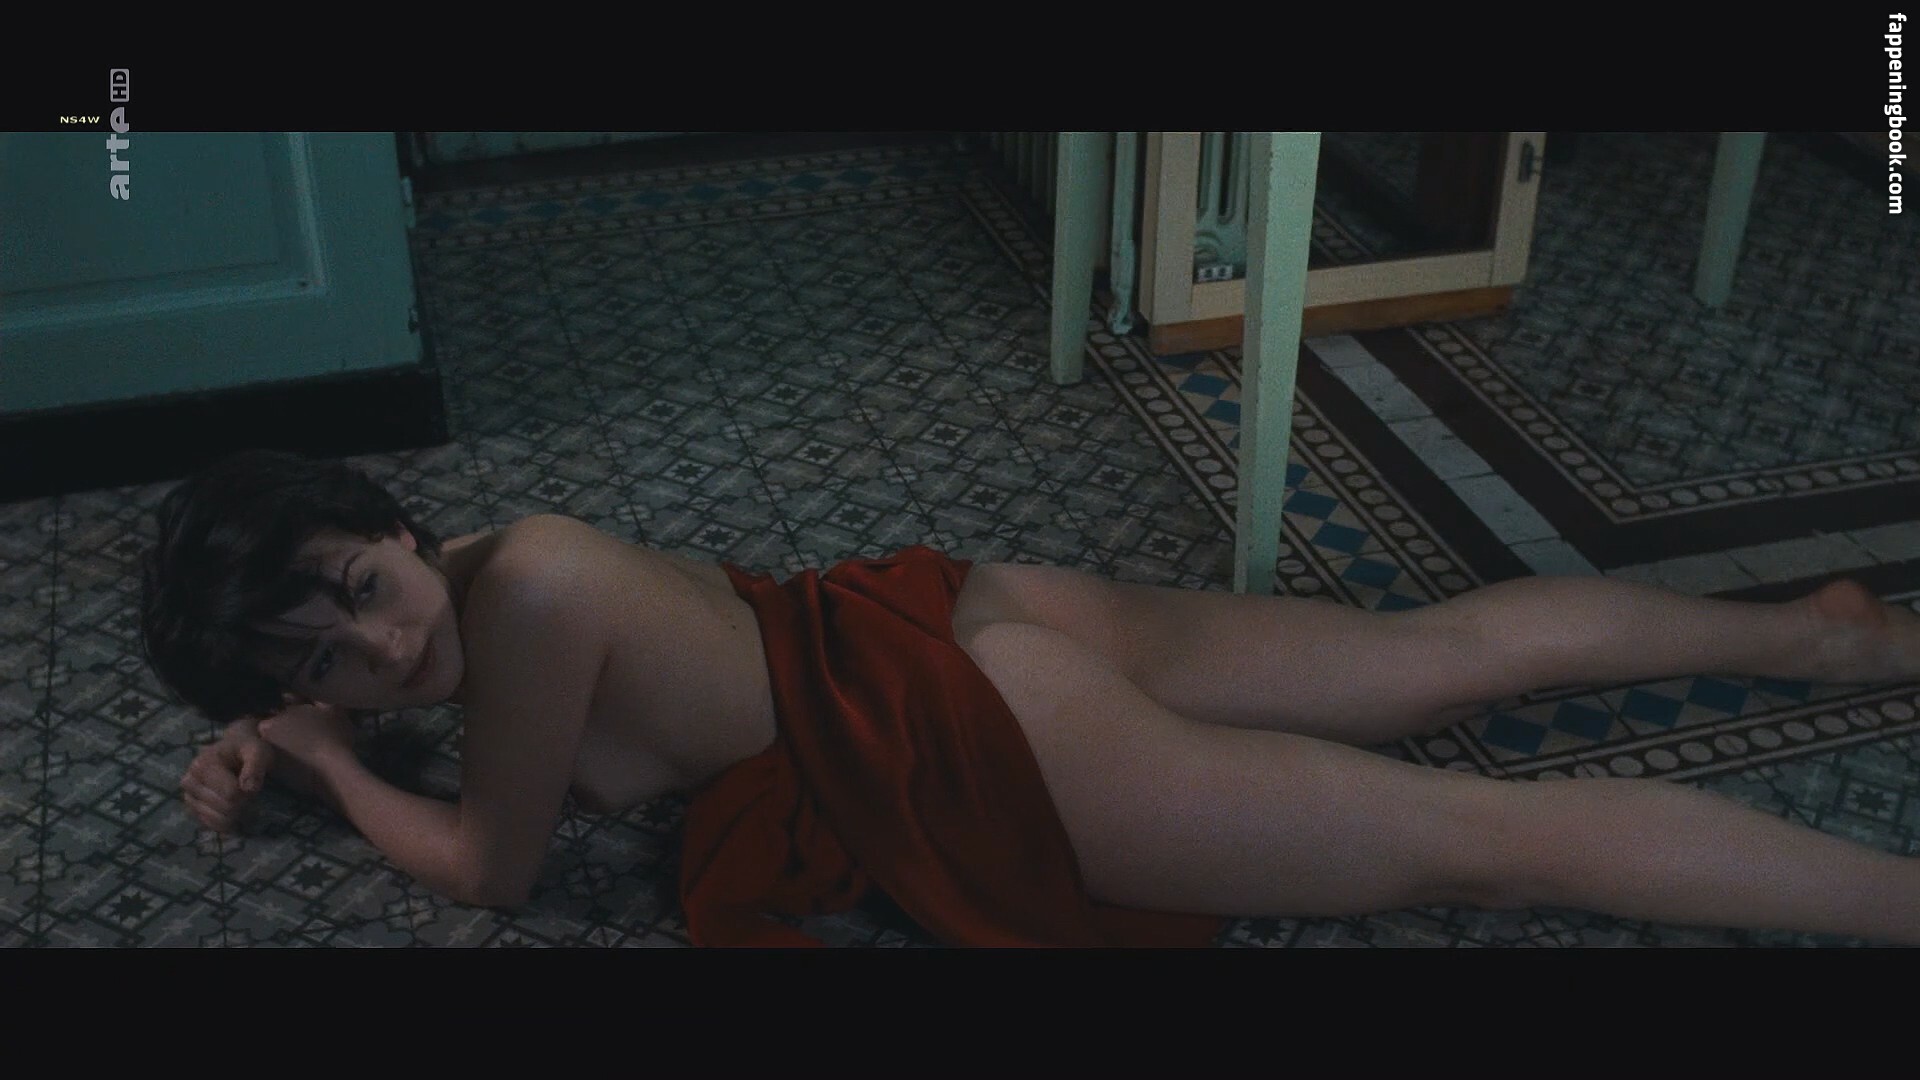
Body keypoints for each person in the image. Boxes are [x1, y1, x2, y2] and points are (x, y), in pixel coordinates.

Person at [146, 449, 1920, 946]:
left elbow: (491, 866)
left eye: (362, 595)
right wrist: (317, 717)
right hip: (944, 613)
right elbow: (453, 689)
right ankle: (1823, 637)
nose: (381, 655)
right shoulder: (498, 561)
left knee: (1479, 838)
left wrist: (327, 761)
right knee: (1440, 654)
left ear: (399, 523)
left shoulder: (524, 606)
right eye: (317, 656)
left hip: (968, 727)